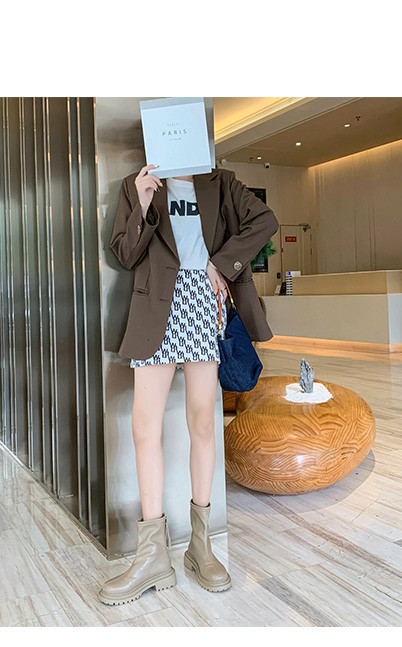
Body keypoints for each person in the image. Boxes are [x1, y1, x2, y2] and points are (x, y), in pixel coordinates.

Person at [99, 164, 278, 606]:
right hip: (155, 307)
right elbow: (125, 253)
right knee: (144, 426)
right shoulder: (139, 183)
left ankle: (201, 545)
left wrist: (222, 264)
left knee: (202, 423)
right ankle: (152, 556)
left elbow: (265, 220)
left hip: (203, 301)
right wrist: (142, 203)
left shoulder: (222, 181)